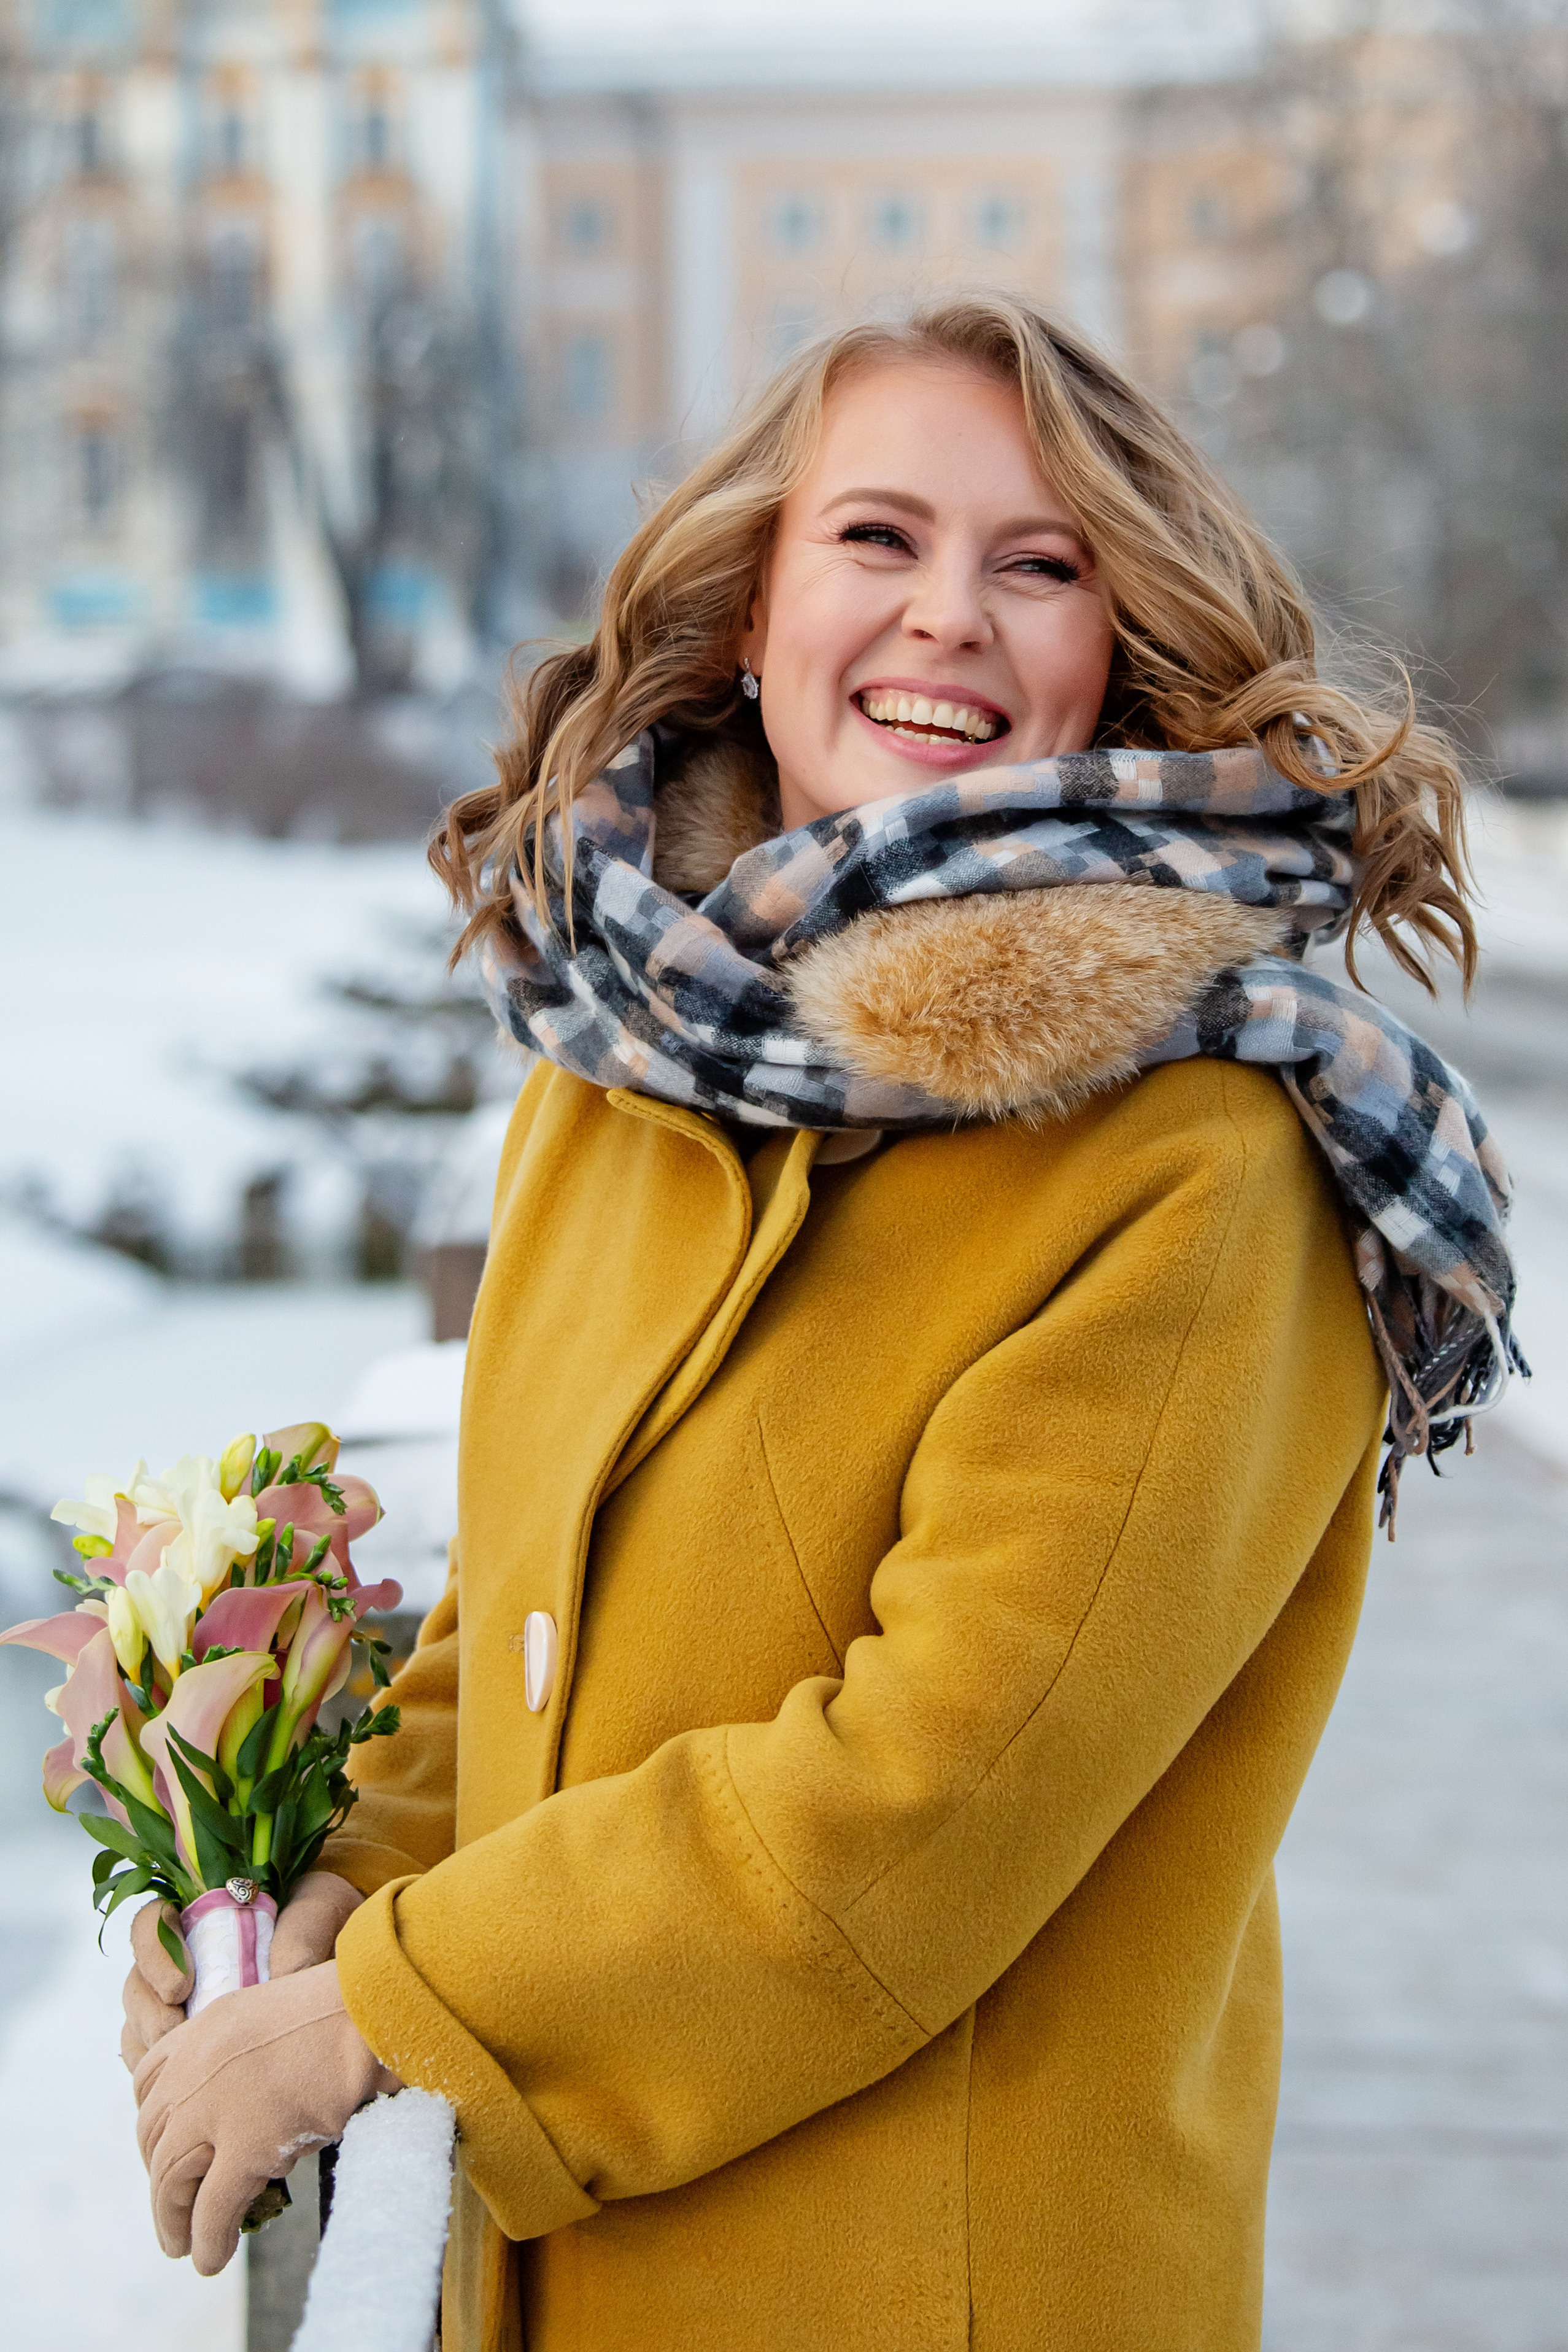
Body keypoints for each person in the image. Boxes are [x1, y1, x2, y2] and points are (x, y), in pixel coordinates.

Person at [123, 295, 1518, 2352]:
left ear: (1117, 647)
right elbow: (512, 1625)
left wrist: (391, 2017)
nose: (946, 614)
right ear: (749, 606)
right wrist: (320, 1890)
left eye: (1037, 564)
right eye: (876, 538)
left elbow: (930, 1799)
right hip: (567, 2269)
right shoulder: (612, 1082)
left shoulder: (1202, 1163)